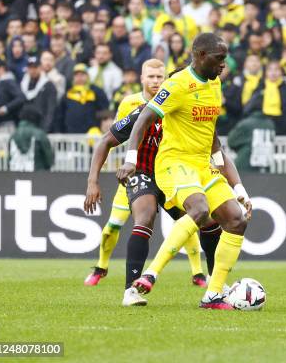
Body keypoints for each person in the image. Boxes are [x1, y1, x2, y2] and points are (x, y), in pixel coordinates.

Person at [117, 33, 252, 310]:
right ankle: (150, 275)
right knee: (199, 210)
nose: (223, 65)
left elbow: (213, 136)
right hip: (174, 163)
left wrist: (238, 188)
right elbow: (144, 118)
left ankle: (213, 294)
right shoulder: (177, 85)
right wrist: (130, 159)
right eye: (219, 58)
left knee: (236, 220)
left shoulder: (215, 84)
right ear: (201, 56)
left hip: (203, 164)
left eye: (225, 59)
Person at [84, 59, 211, 305]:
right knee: (144, 217)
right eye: (151, 77)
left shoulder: (182, 110)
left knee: (204, 220)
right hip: (143, 173)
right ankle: (128, 291)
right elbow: (105, 141)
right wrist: (92, 182)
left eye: (160, 77)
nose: (156, 82)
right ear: (142, 78)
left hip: (173, 176)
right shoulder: (140, 110)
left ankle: (214, 284)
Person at [8, 104, 54, 171]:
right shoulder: (40, 134)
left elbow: (9, 158)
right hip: (38, 174)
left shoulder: (13, 135)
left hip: (15, 174)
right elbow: (49, 159)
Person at [0, 58, 26, 132]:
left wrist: (6, 108)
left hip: (6, 124)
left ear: (1, 68)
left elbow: (21, 97)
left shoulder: (8, 81)